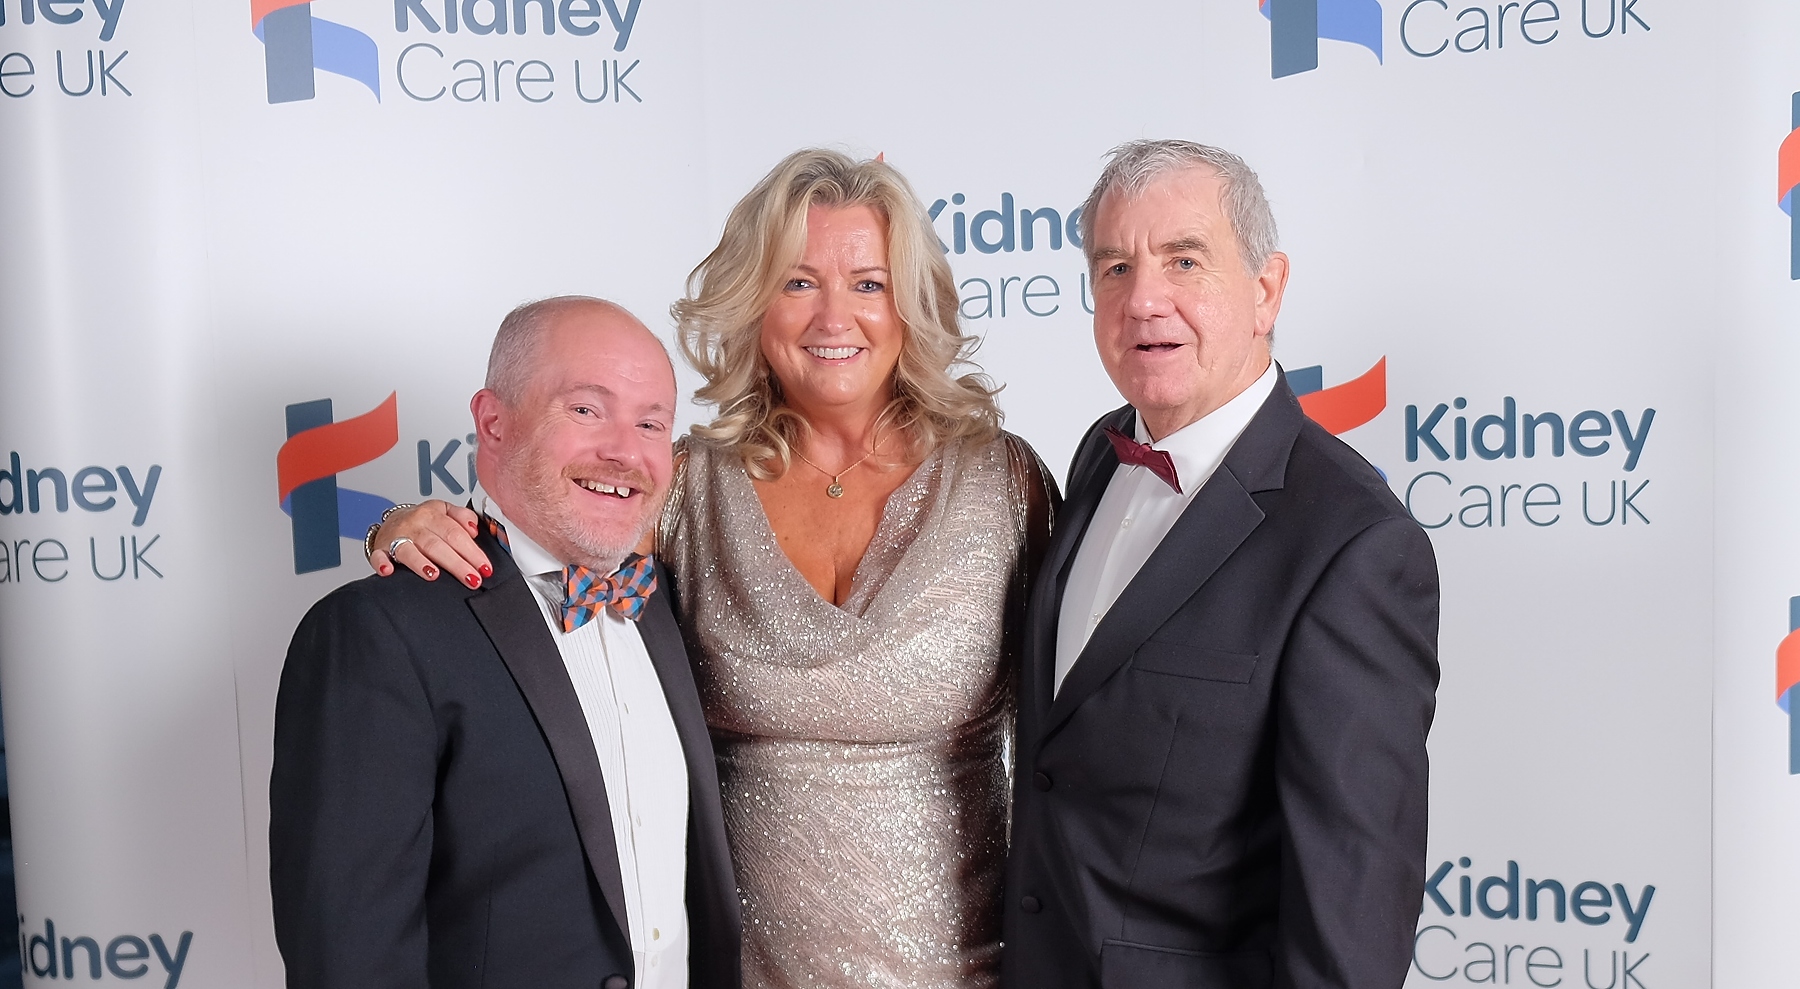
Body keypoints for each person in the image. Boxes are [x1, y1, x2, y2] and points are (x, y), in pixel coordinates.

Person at [367, 150, 1056, 988]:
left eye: (868, 284)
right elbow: (545, 559)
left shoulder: (1003, 481)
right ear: (753, 303)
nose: (833, 316)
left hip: (975, 973)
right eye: (798, 282)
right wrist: (401, 523)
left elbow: (1076, 740)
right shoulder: (686, 484)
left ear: (911, 304)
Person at [999, 139, 1441, 988]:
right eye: (1115, 267)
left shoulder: (1352, 545)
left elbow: (1349, 915)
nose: (1144, 300)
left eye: (1184, 260)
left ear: (1266, 289)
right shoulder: (1100, 453)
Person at [269, 298, 741, 989]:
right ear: (493, 422)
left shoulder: (664, 601)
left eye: (651, 423)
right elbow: (349, 958)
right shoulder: (376, 634)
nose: (624, 450)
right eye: (585, 409)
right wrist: (386, 526)